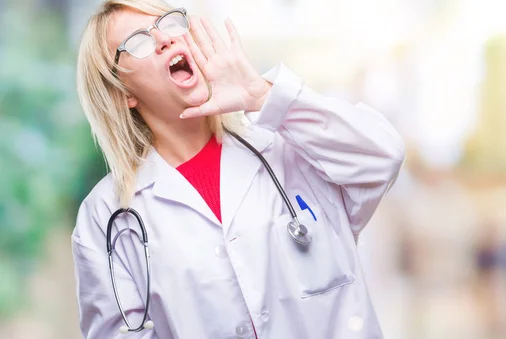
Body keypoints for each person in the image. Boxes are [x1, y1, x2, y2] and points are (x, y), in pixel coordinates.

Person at [72, 0, 405, 338]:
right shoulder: (107, 216)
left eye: (169, 24)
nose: (164, 39)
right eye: (139, 42)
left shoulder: (290, 149)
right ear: (123, 92)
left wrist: (261, 95)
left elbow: (382, 156)